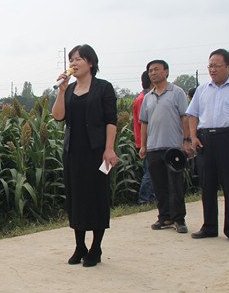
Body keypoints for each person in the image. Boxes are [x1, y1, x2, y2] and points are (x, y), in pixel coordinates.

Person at [52, 44, 118, 267]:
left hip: (97, 152)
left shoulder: (103, 88)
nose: (74, 63)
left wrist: (109, 148)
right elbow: (58, 116)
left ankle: (96, 247)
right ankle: (79, 246)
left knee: (97, 197)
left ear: (90, 62)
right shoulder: (69, 90)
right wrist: (62, 91)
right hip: (73, 152)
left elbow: (111, 121)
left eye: (78, 59)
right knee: (76, 198)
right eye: (71, 60)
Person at [186, 49, 229, 244]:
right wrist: (193, 137)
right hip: (205, 139)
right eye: (210, 66)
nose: (212, 70)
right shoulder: (202, 89)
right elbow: (192, 114)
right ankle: (209, 226)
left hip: (228, 138)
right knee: (207, 185)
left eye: (217, 66)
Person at [138, 59, 191, 234]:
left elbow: (185, 117)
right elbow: (144, 123)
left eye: (156, 69)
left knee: (175, 185)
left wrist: (186, 140)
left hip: (173, 147)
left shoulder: (177, 92)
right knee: (159, 185)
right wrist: (143, 145)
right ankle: (164, 217)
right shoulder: (148, 97)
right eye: (150, 71)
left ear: (166, 71)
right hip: (153, 147)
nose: (153, 73)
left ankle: (179, 219)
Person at [133, 70, 155, 205]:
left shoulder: (147, 97)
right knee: (150, 171)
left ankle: (151, 197)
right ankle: (144, 199)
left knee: (152, 171)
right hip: (146, 141)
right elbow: (143, 122)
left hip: (149, 140)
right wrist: (144, 144)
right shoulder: (144, 99)